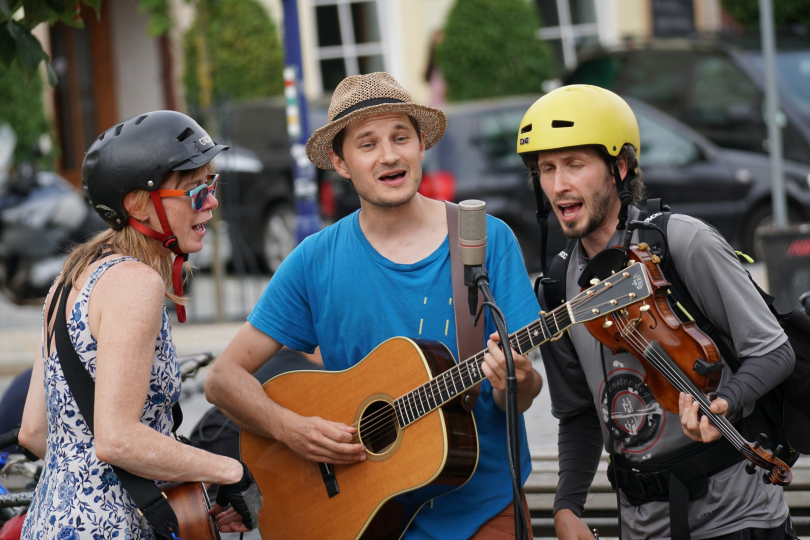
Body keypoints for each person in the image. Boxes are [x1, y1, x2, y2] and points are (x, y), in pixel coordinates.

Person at [205, 72, 543, 539]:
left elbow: (519, 396)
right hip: (360, 514)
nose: (389, 155)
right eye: (367, 144)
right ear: (341, 164)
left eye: (400, 137)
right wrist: (289, 428)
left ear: (421, 143)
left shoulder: (484, 238)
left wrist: (516, 383)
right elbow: (223, 380)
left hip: (481, 508)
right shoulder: (314, 260)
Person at [517, 85, 797, 540]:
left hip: (737, 518)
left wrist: (722, 404)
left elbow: (774, 352)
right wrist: (567, 505)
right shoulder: (556, 284)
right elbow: (578, 413)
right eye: (546, 169)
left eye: (574, 164)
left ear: (619, 167)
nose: (557, 185)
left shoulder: (683, 243)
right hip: (641, 527)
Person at [17, 111, 261, 539]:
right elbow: (116, 439)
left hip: (50, 524)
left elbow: (35, 431)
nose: (212, 201)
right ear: (138, 204)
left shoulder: (70, 277)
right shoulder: (137, 284)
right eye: (195, 191)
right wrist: (229, 470)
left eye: (212, 185)